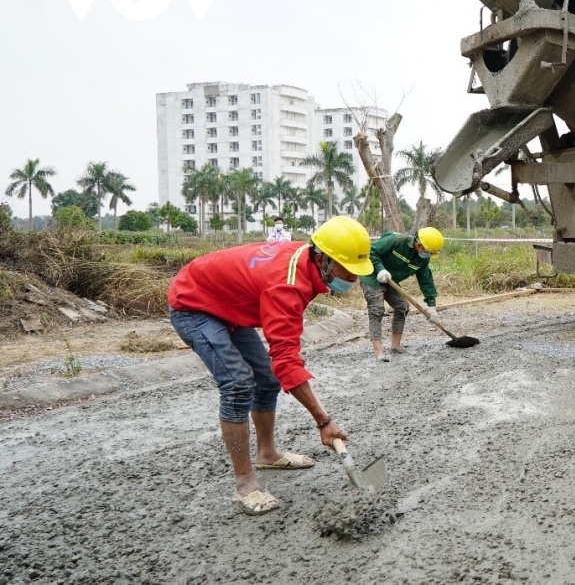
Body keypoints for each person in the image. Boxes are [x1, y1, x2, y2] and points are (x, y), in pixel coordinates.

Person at [168, 216, 372, 515]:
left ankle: (267, 453)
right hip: (195, 304)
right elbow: (286, 358)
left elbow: (283, 348)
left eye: (358, 272)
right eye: (349, 271)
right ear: (322, 259)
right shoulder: (286, 284)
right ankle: (245, 483)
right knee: (238, 383)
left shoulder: (307, 262)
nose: (354, 280)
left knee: (265, 378)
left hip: (228, 302)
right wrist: (323, 421)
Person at [359, 227, 443, 361]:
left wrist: (431, 305)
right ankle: (379, 351)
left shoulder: (423, 259)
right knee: (377, 309)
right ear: (420, 245)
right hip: (371, 276)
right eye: (429, 252)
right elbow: (371, 251)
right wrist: (380, 269)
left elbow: (425, 279)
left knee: (402, 307)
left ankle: (395, 345)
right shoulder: (397, 241)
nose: (429, 255)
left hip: (391, 280)